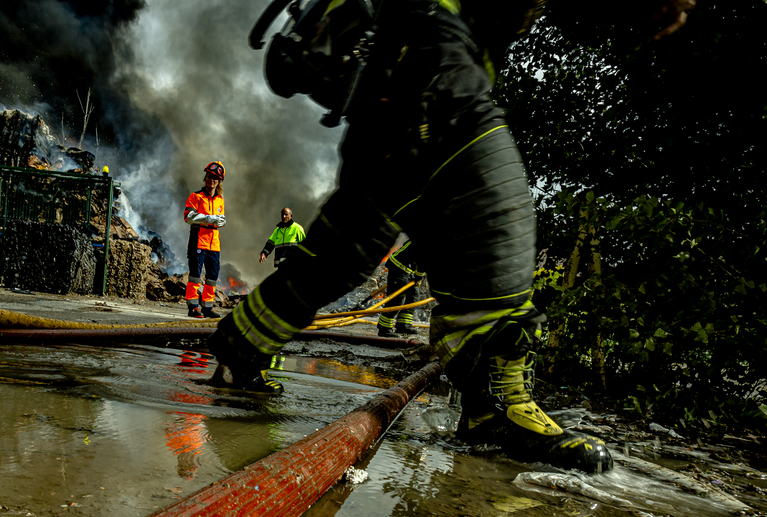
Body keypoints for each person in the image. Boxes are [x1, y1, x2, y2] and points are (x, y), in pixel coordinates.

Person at [208, 0, 696, 474]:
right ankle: (496, 406)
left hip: (402, 69)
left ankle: (244, 340)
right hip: (427, 55)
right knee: (492, 209)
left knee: (345, 251)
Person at [183, 161, 227, 318]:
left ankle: (208, 307)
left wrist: (217, 220)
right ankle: (193, 307)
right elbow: (188, 217)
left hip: (214, 243)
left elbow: (221, 220)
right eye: (209, 176)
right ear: (205, 178)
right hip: (198, 241)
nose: (212, 180)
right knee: (195, 275)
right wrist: (209, 219)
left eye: (215, 178)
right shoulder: (196, 196)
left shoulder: (220, 200)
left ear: (219, 181)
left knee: (212, 277)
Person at [377, 243, 428, 341]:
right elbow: (424, 262)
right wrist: (418, 276)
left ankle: (403, 325)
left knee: (413, 295)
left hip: (408, 269)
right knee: (397, 298)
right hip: (398, 267)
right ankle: (384, 328)